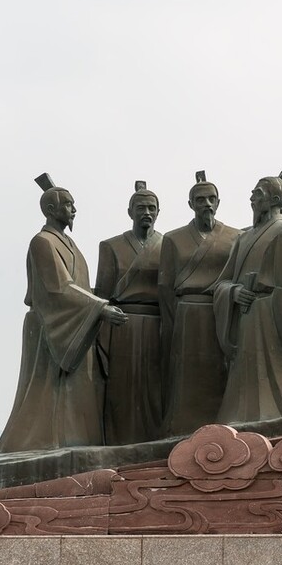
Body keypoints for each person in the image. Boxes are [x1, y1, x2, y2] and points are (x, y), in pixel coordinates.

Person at [0, 174, 127, 453]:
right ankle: (43, 445)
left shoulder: (70, 245)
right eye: (68, 204)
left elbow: (78, 287)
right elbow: (58, 287)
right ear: (50, 209)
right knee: (47, 395)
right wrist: (100, 308)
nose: (74, 209)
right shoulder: (42, 242)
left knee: (80, 393)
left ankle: (76, 442)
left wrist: (102, 301)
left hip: (76, 323)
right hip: (52, 326)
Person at [211, 176, 282, 423]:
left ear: (275, 199)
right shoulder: (243, 238)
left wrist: (276, 301)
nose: (251, 198)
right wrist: (234, 292)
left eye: (257, 193)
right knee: (246, 385)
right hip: (246, 318)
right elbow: (221, 283)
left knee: (274, 382)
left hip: (274, 316)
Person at [158, 170, 240, 436]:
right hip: (187, 315)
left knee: (220, 375)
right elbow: (165, 287)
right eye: (201, 199)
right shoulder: (173, 239)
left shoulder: (234, 237)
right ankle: (182, 431)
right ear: (190, 204)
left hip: (221, 314)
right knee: (187, 378)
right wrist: (174, 325)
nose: (207, 204)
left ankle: (223, 429)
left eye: (211, 199)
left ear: (218, 202)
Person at [95, 181, 163, 445]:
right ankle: (118, 443)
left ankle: (156, 444)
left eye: (151, 208)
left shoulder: (167, 245)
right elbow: (102, 295)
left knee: (156, 389)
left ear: (158, 212)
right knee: (121, 389)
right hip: (122, 325)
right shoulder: (111, 247)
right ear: (130, 211)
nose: (146, 212)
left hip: (157, 325)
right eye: (141, 207)